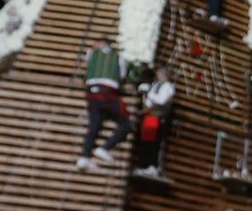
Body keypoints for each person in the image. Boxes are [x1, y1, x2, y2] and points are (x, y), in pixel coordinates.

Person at [76, 39, 134, 170]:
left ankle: (85, 157)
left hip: (92, 96)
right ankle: (104, 148)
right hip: (108, 95)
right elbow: (122, 75)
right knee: (126, 125)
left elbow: (86, 67)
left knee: (94, 126)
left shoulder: (92, 53)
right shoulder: (118, 57)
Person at [130, 65, 178, 177]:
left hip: (158, 118)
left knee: (153, 143)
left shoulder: (169, 87)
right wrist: (145, 97)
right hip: (149, 117)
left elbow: (161, 101)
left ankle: (152, 166)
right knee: (145, 142)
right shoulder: (156, 85)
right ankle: (143, 166)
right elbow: (149, 103)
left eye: (160, 73)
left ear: (165, 75)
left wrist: (149, 94)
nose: (158, 75)